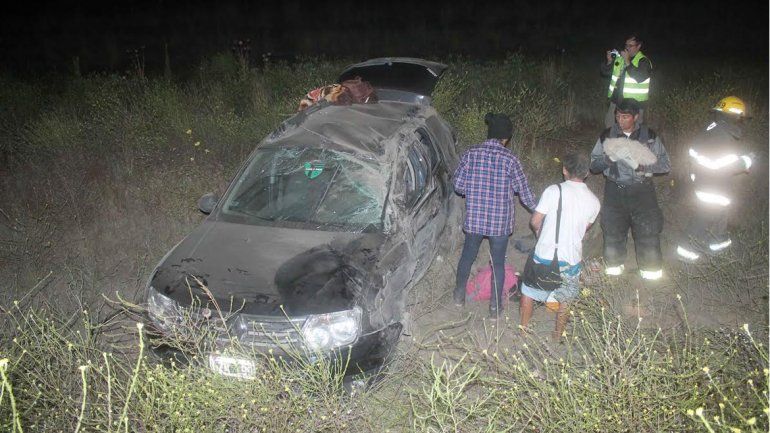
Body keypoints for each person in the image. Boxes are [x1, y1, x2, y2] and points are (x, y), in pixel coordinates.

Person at [453, 113, 536, 318]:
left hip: (475, 220)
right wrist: (541, 210)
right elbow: (525, 193)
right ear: (505, 138)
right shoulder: (511, 160)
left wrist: (474, 189)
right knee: (498, 264)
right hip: (499, 224)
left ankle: (458, 298)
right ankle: (494, 308)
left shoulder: (470, 154)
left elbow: (458, 186)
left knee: (467, 257)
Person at [519, 152, 600, 340]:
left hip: (546, 254)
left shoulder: (553, 191)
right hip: (571, 258)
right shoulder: (594, 202)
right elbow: (584, 228)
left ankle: (523, 331)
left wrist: (540, 232)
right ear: (587, 173)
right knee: (566, 298)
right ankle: (557, 335)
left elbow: (535, 221)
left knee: (528, 291)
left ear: (564, 170)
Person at [590, 98, 670, 280]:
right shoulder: (607, 135)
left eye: (625, 117)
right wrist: (609, 159)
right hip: (614, 190)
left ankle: (651, 274)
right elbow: (594, 166)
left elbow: (665, 165)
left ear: (636, 117)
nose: (620, 120)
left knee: (648, 232)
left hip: (643, 191)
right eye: (618, 116)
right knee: (612, 230)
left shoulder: (649, 136)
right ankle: (613, 272)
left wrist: (642, 166)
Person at [676, 96, 753, 261]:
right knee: (703, 221)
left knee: (718, 221)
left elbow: (695, 154)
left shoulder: (712, 129)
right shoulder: (722, 136)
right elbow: (722, 165)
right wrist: (747, 160)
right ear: (734, 117)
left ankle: (718, 251)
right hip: (713, 189)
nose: (742, 122)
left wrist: (694, 175)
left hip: (705, 184)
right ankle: (686, 256)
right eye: (741, 119)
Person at [601, 33, 652, 128]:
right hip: (616, 102)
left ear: (638, 46)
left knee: (633, 132)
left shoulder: (643, 61)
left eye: (630, 45)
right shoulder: (620, 59)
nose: (627, 48)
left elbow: (640, 77)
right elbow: (605, 73)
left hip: (634, 106)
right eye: (626, 45)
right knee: (610, 128)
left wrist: (628, 62)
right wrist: (609, 61)